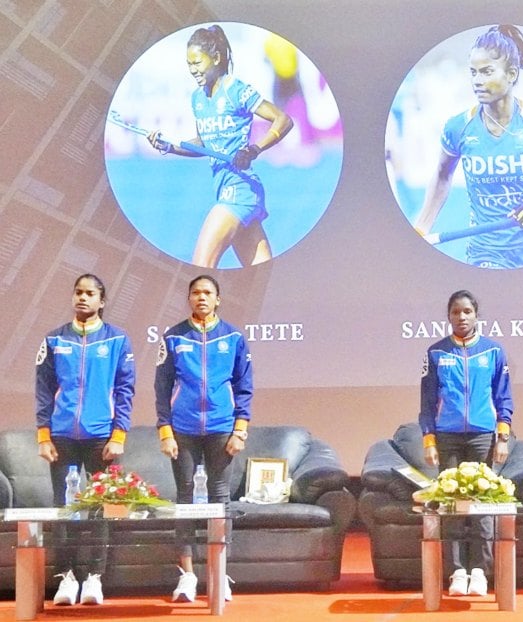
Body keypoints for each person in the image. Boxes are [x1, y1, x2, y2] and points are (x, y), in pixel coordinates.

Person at [412, 24, 523, 269]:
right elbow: (442, 177)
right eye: (473, 72)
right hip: (487, 252)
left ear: (511, 74)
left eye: (486, 72)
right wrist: (420, 229)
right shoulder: (457, 127)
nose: (477, 81)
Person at [147, 24, 293, 269]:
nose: (193, 70)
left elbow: (283, 120)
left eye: (197, 63)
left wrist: (254, 149)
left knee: (201, 267)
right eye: (189, 64)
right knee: (261, 277)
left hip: (239, 189)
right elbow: (202, 143)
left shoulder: (236, 90)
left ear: (215, 58)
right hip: (226, 189)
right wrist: (169, 147)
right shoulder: (198, 98)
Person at [35, 274, 136, 606]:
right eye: (78, 292)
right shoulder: (54, 339)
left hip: (102, 438)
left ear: (101, 301)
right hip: (62, 436)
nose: (82, 297)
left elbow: (125, 391)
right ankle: (65, 578)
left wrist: (118, 434)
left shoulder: (117, 340)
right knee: (64, 508)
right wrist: (43, 435)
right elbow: (43, 391)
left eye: (90, 293)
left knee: (104, 507)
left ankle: (95, 577)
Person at [155, 275, 253, 602]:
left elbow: (244, 387)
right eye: (196, 292)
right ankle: (187, 576)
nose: (201, 297)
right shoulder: (173, 337)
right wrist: (165, 431)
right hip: (182, 429)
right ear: (189, 298)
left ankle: (219, 572)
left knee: (219, 498)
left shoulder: (234, 337)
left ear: (218, 299)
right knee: (184, 498)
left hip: (221, 427)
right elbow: (161, 388)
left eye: (207, 292)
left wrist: (240, 429)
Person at [419, 290, 514, 596]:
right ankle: (457, 572)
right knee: (452, 506)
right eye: (456, 312)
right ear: (448, 316)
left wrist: (502, 436)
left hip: (482, 436)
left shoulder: (493, 351)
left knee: (482, 504)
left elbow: (503, 397)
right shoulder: (436, 352)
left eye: (467, 312)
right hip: (447, 437)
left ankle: (480, 572)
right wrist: (429, 440)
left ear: (476, 315)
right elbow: (427, 402)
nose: (461, 317)